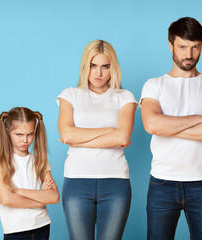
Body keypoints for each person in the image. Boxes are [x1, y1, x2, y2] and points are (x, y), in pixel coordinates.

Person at [140, 17, 202, 240]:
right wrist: (199, 119)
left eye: (195, 47)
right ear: (170, 45)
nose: (189, 54)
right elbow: (151, 124)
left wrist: (168, 126)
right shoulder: (154, 85)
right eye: (182, 47)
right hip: (162, 182)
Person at [57, 40, 138, 240]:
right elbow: (67, 134)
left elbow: (123, 137)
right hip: (77, 181)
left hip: (115, 182)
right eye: (93, 66)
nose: (98, 73)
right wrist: (109, 131)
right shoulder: (71, 95)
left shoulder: (124, 97)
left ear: (113, 68)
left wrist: (79, 139)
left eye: (105, 66)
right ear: (85, 66)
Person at [0, 107, 59, 240]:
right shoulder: (0, 160)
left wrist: (16, 191)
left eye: (30, 134)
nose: (25, 140)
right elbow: (6, 199)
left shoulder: (39, 161)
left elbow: (54, 197)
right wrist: (40, 201)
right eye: (19, 135)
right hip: (16, 229)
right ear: (7, 132)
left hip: (42, 225)